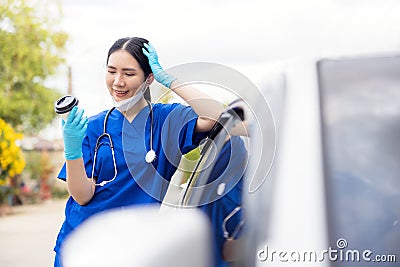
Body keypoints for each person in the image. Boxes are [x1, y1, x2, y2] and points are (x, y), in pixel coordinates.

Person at [53, 37, 226, 267]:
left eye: (129, 73)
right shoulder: (92, 127)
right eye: (111, 71)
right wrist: (72, 150)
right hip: (84, 244)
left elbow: (216, 116)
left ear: (148, 78)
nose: (117, 82)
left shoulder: (168, 121)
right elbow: (82, 195)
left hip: (136, 248)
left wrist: (168, 80)